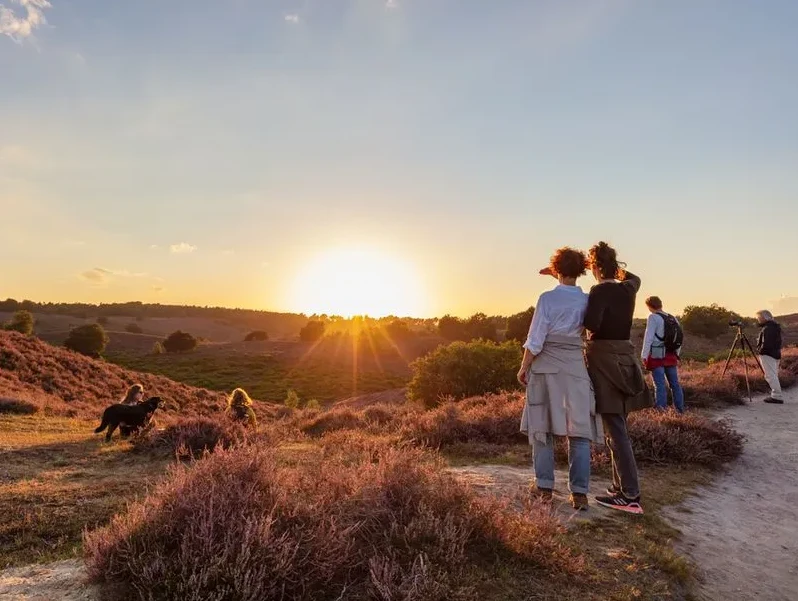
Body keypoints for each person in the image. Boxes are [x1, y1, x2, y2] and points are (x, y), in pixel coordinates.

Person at [517, 247, 604, 511]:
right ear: (582, 270)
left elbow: (535, 339)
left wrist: (523, 367)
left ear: (556, 269)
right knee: (578, 430)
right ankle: (579, 493)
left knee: (542, 426)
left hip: (546, 364)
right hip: (575, 367)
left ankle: (544, 487)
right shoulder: (588, 299)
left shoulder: (546, 298)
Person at [583, 242, 652, 515]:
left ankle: (630, 496)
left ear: (597, 267)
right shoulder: (628, 287)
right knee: (617, 426)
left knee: (617, 430)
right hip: (625, 356)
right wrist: (614, 269)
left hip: (605, 359)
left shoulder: (600, 290)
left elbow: (592, 324)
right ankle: (619, 486)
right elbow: (635, 278)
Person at [641, 296, 685, 413]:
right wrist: (676, 353)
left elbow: (648, 338)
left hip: (656, 355)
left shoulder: (653, 317)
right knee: (675, 384)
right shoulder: (673, 318)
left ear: (649, 306)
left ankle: (661, 411)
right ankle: (680, 410)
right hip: (671, 355)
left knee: (659, 385)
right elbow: (679, 338)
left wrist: (644, 355)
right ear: (661, 304)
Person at [756, 310, 784, 404]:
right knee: (773, 375)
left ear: (764, 317)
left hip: (768, 354)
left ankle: (777, 396)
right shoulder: (774, 326)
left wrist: (760, 351)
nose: (758, 319)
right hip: (775, 353)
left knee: (770, 375)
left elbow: (767, 343)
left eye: (759, 317)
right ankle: (776, 395)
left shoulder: (768, 328)